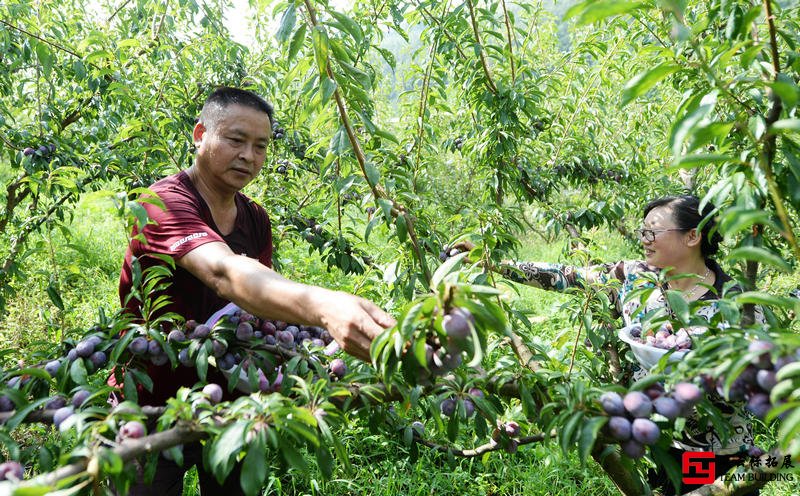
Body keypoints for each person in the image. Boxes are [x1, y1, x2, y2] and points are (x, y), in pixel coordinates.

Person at [116, 86, 395, 494]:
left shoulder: (255, 219)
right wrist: (323, 306)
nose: (249, 155)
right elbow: (226, 274)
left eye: (260, 146)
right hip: (149, 405)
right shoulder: (160, 202)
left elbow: (255, 304)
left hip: (234, 407)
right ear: (199, 135)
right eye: (235, 140)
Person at [457, 194, 757, 495]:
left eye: (653, 231)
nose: (644, 239)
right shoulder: (634, 278)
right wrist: (491, 263)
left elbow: (757, 380)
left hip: (715, 451)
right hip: (649, 439)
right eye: (642, 231)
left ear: (692, 236)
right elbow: (566, 276)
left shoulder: (736, 304)